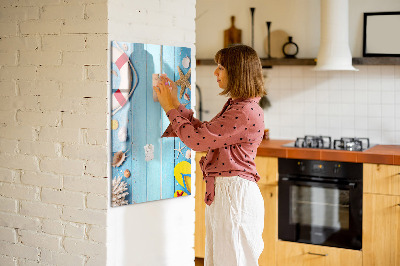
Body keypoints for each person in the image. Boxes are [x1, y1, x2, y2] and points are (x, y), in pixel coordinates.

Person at [153, 44, 266, 266]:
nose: (215, 72)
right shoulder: (239, 106)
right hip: (228, 193)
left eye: (221, 67)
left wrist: (169, 108)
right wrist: (175, 104)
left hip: (234, 195)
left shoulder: (243, 111)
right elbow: (204, 133)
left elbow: (197, 141)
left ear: (237, 72)